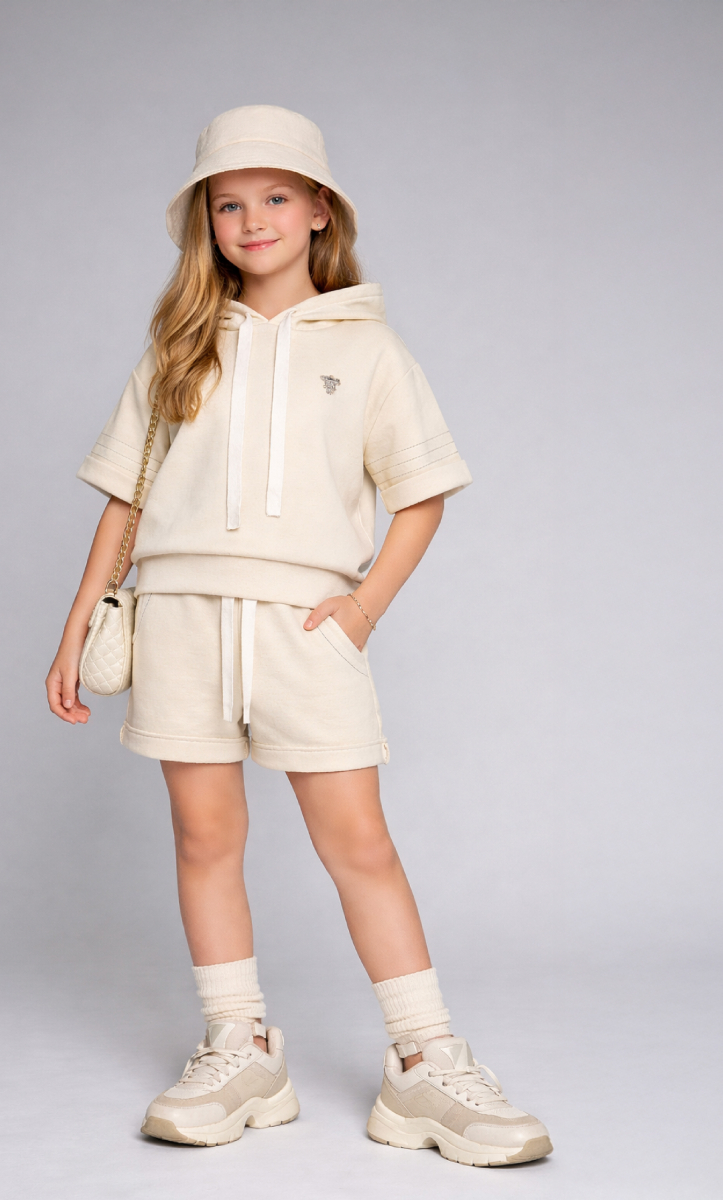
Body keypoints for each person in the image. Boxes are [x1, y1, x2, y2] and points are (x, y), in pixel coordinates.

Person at [46, 105, 552, 1167]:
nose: (252, 219)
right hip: (181, 617)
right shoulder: (179, 345)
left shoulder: (369, 349)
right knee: (203, 836)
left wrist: (360, 610)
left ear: (320, 209)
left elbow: (421, 495)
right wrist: (77, 619)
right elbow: (126, 497)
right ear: (207, 221)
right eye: (228, 203)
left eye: (275, 196)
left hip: (302, 628)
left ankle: (424, 1063)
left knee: (357, 841)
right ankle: (239, 1047)